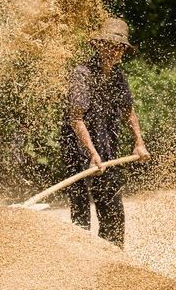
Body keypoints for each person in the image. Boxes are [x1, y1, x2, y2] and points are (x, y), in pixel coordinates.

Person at [59, 18, 150, 247]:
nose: (113, 50)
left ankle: (112, 257)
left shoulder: (118, 75)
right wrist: (91, 153)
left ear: (123, 51)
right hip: (78, 148)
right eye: (109, 45)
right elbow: (76, 118)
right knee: (81, 210)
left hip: (106, 148)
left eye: (118, 47)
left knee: (112, 209)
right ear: (99, 45)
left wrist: (139, 142)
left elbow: (128, 111)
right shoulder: (82, 73)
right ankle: (80, 260)